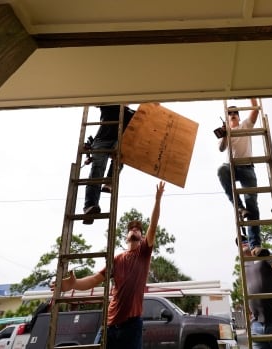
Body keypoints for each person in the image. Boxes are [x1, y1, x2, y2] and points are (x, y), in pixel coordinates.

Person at [55, 181, 165, 349]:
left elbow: (153, 225)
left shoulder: (143, 253)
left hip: (132, 326)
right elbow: (94, 280)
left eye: (138, 229)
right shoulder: (117, 259)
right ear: (126, 236)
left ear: (142, 237)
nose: (134, 230)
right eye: (131, 228)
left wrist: (157, 200)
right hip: (110, 324)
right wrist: (73, 284)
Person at [218, 98, 262, 255]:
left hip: (248, 167)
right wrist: (224, 134)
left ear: (238, 115)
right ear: (227, 117)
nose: (233, 115)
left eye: (235, 112)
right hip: (232, 167)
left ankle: (255, 245)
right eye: (230, 113)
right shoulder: (226, 132)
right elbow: (221, 148)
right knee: (221, 170)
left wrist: (252, 96)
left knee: (253, 206)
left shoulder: (246, 125)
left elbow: (255, 110)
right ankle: (238, 207)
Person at [237, 236, 272, 349]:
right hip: (256, 326)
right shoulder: (243, 267)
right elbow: (246, 295)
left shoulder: (264, 256)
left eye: (245, 240)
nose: (242, 243)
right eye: (239, 242)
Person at [83, 104, 136, 224]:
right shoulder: (110, 104)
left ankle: (109, 182)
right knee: (97, 170)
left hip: (118, 142)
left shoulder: (133, 113)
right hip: (102, 141)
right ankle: (90, 207)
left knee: (123, 153)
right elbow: (96, 102)